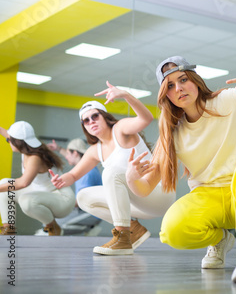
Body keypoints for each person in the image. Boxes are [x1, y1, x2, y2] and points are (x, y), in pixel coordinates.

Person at [126, 56, 236, 283]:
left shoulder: (229, 100)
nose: (178, 88)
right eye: (170, 86)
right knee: (171, 230)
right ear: (165, 95)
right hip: (209, 197)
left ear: (195, 80)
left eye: (183, 79)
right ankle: (220, 240)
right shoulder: (172, 133)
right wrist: (131, 178)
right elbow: (145, 187)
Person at [50, 83, 176, 255]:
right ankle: (133, 230)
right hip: (137, 202)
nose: (91, 122)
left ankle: (122, 239)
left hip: (158, 193)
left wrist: (126, 95)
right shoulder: (95, 150)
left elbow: (145, 118)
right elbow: (73, 175)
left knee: (111, 172)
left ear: (104, 117)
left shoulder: (121, 129)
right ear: (84, 127)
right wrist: (62, 180)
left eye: (95, 116)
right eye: (86, 121)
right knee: (83, 196)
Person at [0, 121, 75, 236]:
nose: (8, 141)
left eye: (9, 140)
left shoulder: (35, 157)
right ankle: (8, 227)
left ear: (17, 142)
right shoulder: (27, 148)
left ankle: (53, 227)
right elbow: (5, 133)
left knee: (26, 201)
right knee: (5, 184)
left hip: (61, 198)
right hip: (40, 192)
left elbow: (23, 183)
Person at [47, 138, 103, 235]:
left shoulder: (86, 173)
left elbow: (81, 200)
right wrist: (59, 148)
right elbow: (71, 156)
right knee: (51, 223)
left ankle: (90, 228)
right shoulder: (86, 167)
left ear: (76, 153)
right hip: (84, 210)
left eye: (68, 154)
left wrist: (58, 204)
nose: (66, 156)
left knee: (55, 227)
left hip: (91, 214)